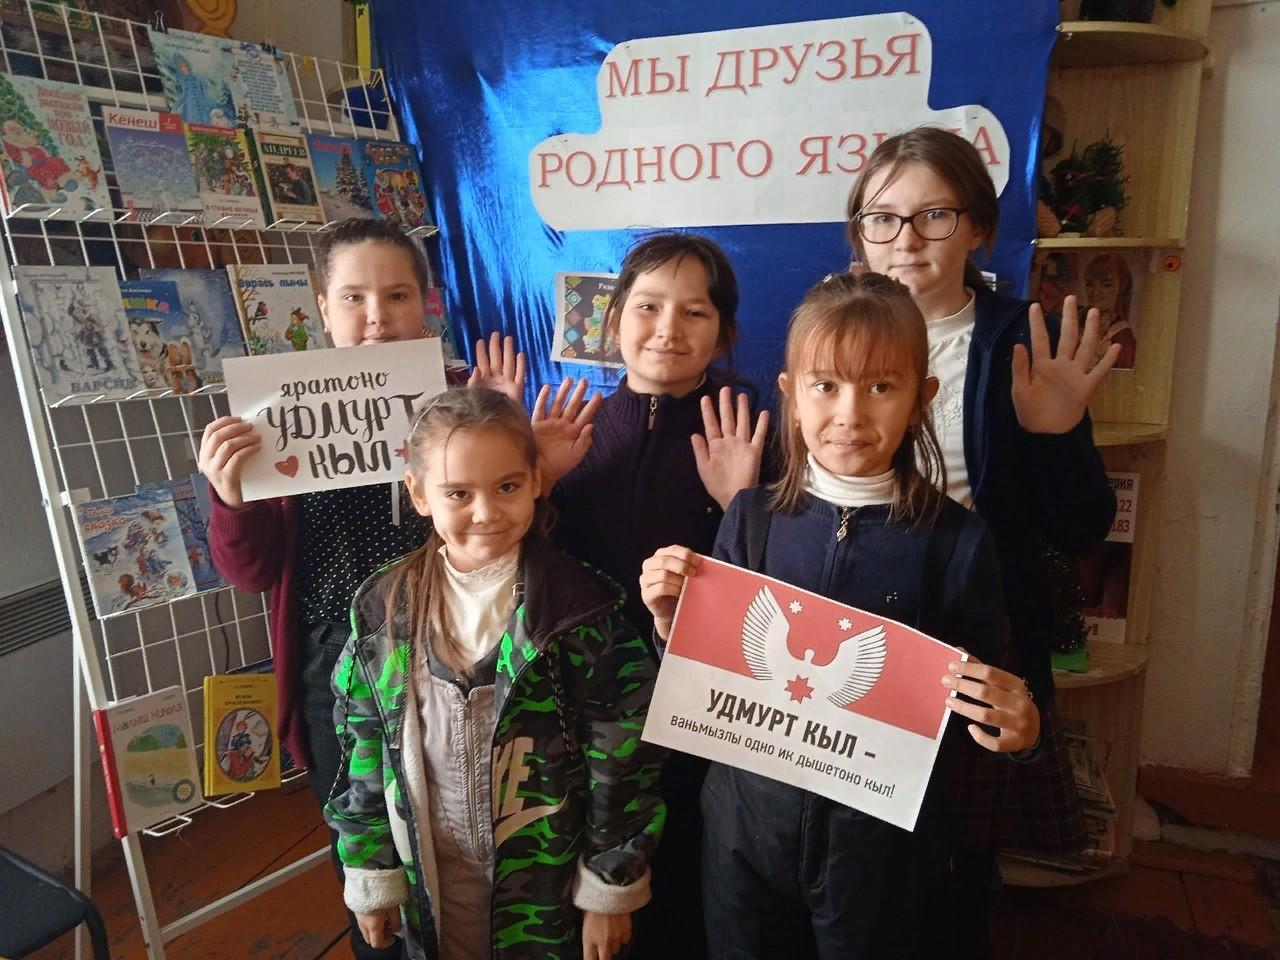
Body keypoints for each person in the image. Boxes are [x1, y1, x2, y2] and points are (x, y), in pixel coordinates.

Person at [640, 272, 1039, 959]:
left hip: (878, 852)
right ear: (792, 397)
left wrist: (1017, 726)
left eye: (881, 386)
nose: (850, 413)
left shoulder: (957, 543)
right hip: (744, 832)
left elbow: (984, 705)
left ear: (921, 399)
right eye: (825, 385)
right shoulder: (752, 519)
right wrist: (669, 626)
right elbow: (705, 681)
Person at [200, 218, 519, 960]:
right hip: (331, 663)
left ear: (425, 304)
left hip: (450, 652)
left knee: (470, 832)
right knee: (368, 857)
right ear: (322, 307)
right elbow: (250, 571)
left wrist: (503, 431)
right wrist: (230, 495)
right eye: (354, 298)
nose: (378, 316)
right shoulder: (274, 415)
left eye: (398, 295)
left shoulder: (461, 400)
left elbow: (505, 536)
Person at [844, 127, 1119, 955]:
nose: (906, 240)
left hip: (976, 639)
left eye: (933, 214)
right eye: (882, 218)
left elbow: (1082, 526)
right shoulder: (838, 331)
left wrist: (1056, 435)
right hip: (855, 633)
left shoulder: (1019, 343)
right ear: (859, 233)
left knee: (955, 870)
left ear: (978, 229)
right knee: (852, 850)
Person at [324, 387, 665, 960]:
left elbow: (624, 758)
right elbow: (362, 747)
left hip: (547, 890)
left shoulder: (578, 610)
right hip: (432, 881)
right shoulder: (384, 608)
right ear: (419, 493)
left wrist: (609, 888)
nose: (485, 512)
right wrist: (370, 870)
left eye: (507, 486)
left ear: (536, 480)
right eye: (459, 493)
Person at [550, 232, 769, 960]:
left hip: (702, 712)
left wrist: (742, 505)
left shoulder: (750, 430)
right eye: (647, 306)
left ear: (724, 332)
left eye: (694, 312)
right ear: (613, 320)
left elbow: (787, 592)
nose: (668, 329)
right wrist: (539, 485)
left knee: (688, 883)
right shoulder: (574, 430)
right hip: (583, 711)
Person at [1082, 253, 1137, 369]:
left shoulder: (1122, 334)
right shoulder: (1078, 320)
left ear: (1121, 287)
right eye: (1090, 284)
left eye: (1106, 285)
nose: (1095, 292)